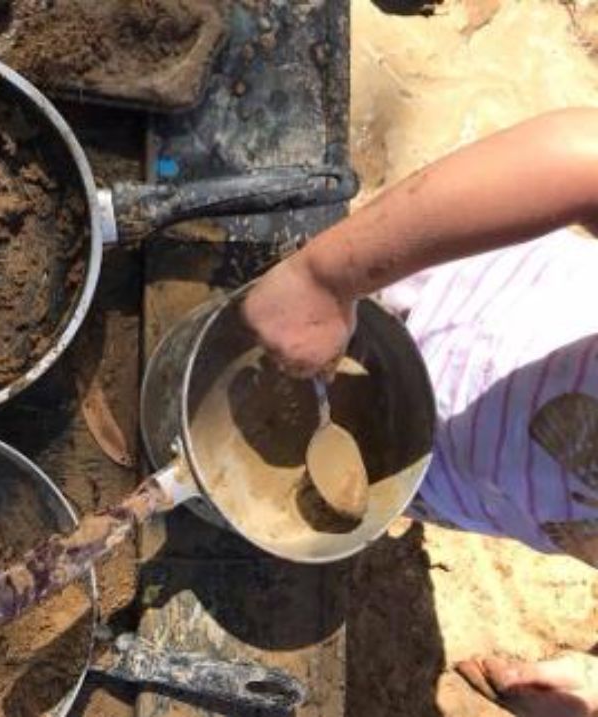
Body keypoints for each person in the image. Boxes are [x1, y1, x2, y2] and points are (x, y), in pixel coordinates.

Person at [243, 108, 598, 717]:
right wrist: (326, 277)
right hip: (433, 312)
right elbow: (586, 159)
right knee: (271, 340)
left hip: (453, 485)